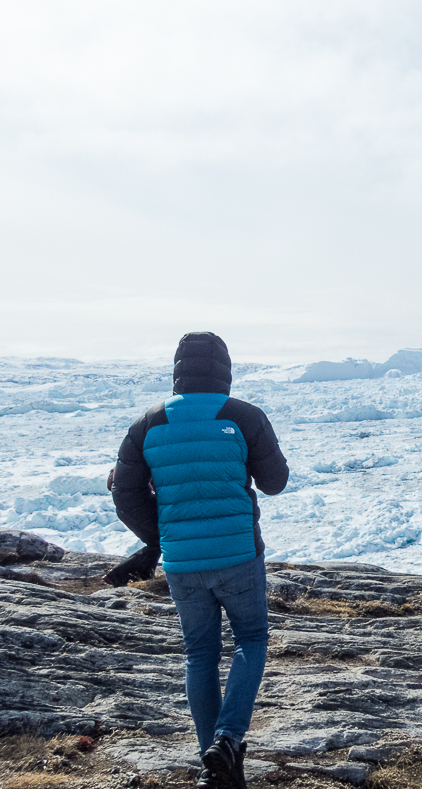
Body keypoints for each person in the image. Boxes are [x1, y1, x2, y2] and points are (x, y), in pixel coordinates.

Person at [111, 332, 289, 789]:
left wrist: (166, 535)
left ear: (177, 370)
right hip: (238, 555)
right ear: (225, 369)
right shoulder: (242, 416)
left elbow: (126, 497)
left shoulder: (146, 424)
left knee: (200, 654)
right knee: (251, 639)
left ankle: (216, 771)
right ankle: (228, 740)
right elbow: (275, 481)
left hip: (182, 563)